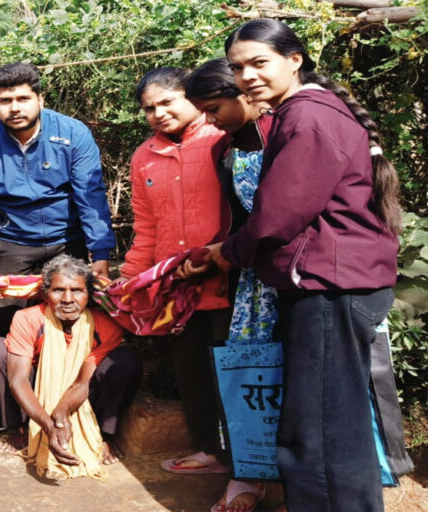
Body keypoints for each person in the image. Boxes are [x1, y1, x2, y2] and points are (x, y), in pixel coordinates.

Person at [206, 19, 400, 512]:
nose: (247, 76)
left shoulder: (307, 117)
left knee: (316, 431)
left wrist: (226, 252)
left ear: (294, 60)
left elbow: (278, 215)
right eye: (238, 67)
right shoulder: (306, 111)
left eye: (258, 63)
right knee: (337, 421)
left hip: (329, 287)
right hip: (334, 283)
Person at [0, 62, 116, 432]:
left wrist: (101, 255)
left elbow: (90, 195)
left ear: (39, 98)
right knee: (5, 323)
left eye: (23, 98)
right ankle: (5, 403)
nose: (15, 107)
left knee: (74, 317)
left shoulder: (73, 133)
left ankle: (76, 399)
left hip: (68, 238)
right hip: (13, 241)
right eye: (4, 100)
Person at [120, 67, 233, 489]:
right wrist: (130, 280)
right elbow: (146, 226)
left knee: (234, 370)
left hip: (227, 279)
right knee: (192, 372)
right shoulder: (144, 156)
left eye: (167, 102)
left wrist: (225, 254)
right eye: (149, 108)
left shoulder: (223, 138)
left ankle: (245, 459)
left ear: (192, 97)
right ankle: (209, 450)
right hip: (177, 287)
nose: (158, 113)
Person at [185, 57, 274, 512]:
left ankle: (297, 484)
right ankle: (248, 474)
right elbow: (237, 218)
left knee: (296, 378)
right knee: (250, 376)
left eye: (214, 108)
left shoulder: (284, 134)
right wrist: (219, 252)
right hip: (250, 282)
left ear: (245, 94)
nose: (209, 120)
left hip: (296, 280)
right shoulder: (226, 149)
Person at [0, 254, 141, 474]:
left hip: (80, 386)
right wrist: (47, 425)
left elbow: (82, 382)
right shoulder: (26, 318)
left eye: (77, 290)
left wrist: (61, 413)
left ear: (89, 294)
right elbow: (18, 380)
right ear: (45, 294)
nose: (68, 299)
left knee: (124, 361)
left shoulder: (105, 325)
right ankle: (23, 427)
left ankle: (103, 434)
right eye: (58, 290)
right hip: (37, 384)